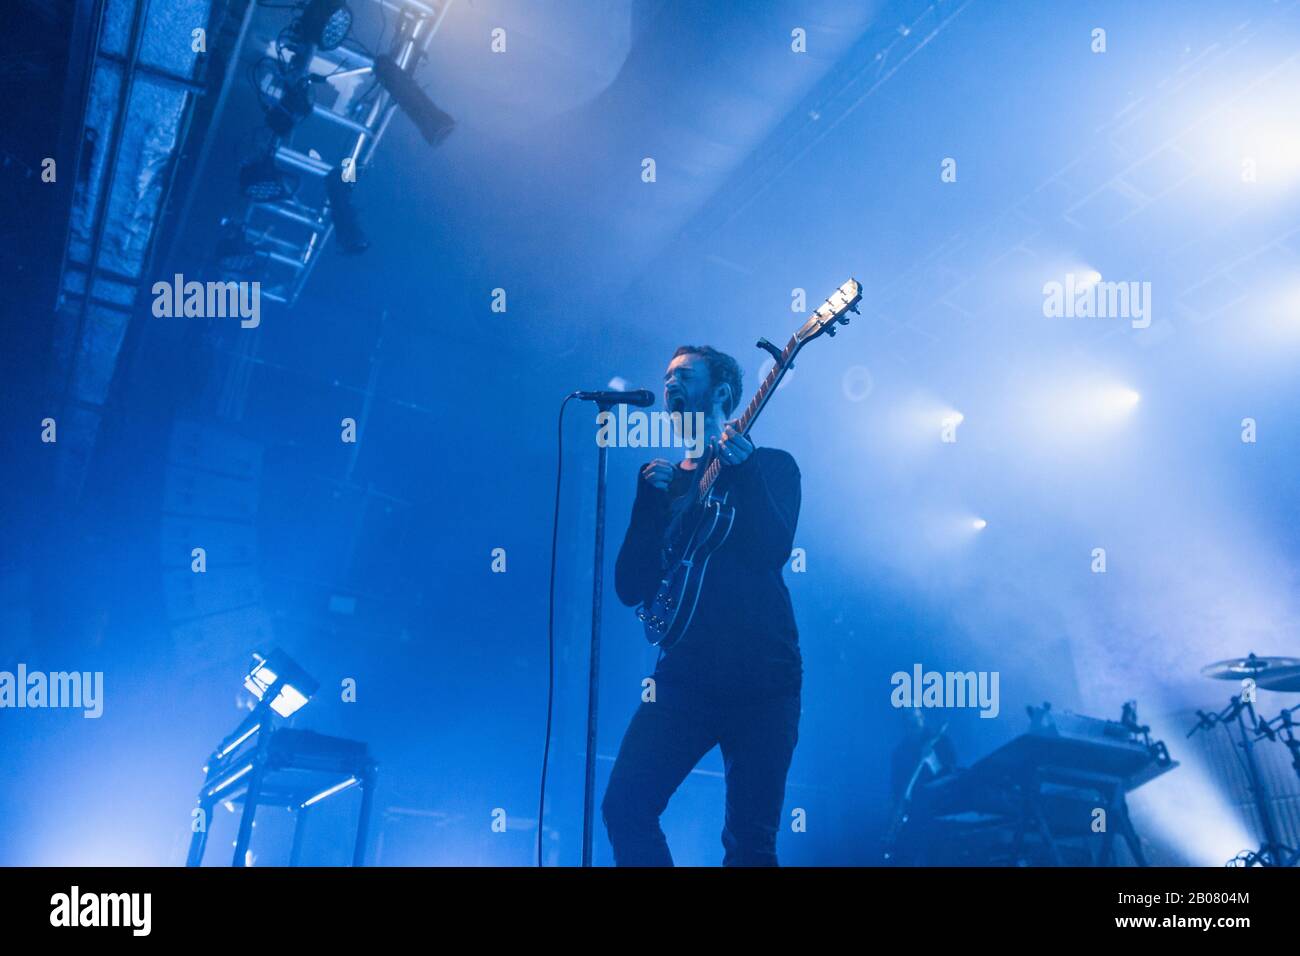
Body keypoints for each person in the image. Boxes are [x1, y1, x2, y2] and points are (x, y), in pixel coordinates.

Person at [602, 344, 802, 866]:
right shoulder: (662, 483)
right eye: (666, 374)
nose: (669, 383)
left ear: (722, 393)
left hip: (764, 678)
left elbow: (774, 550)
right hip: (684, 678)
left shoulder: (773, 465)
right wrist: (648, 508)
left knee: (749, 843)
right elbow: (630, 588)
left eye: (684, 375)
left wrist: (749, 471)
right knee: (624, 805)